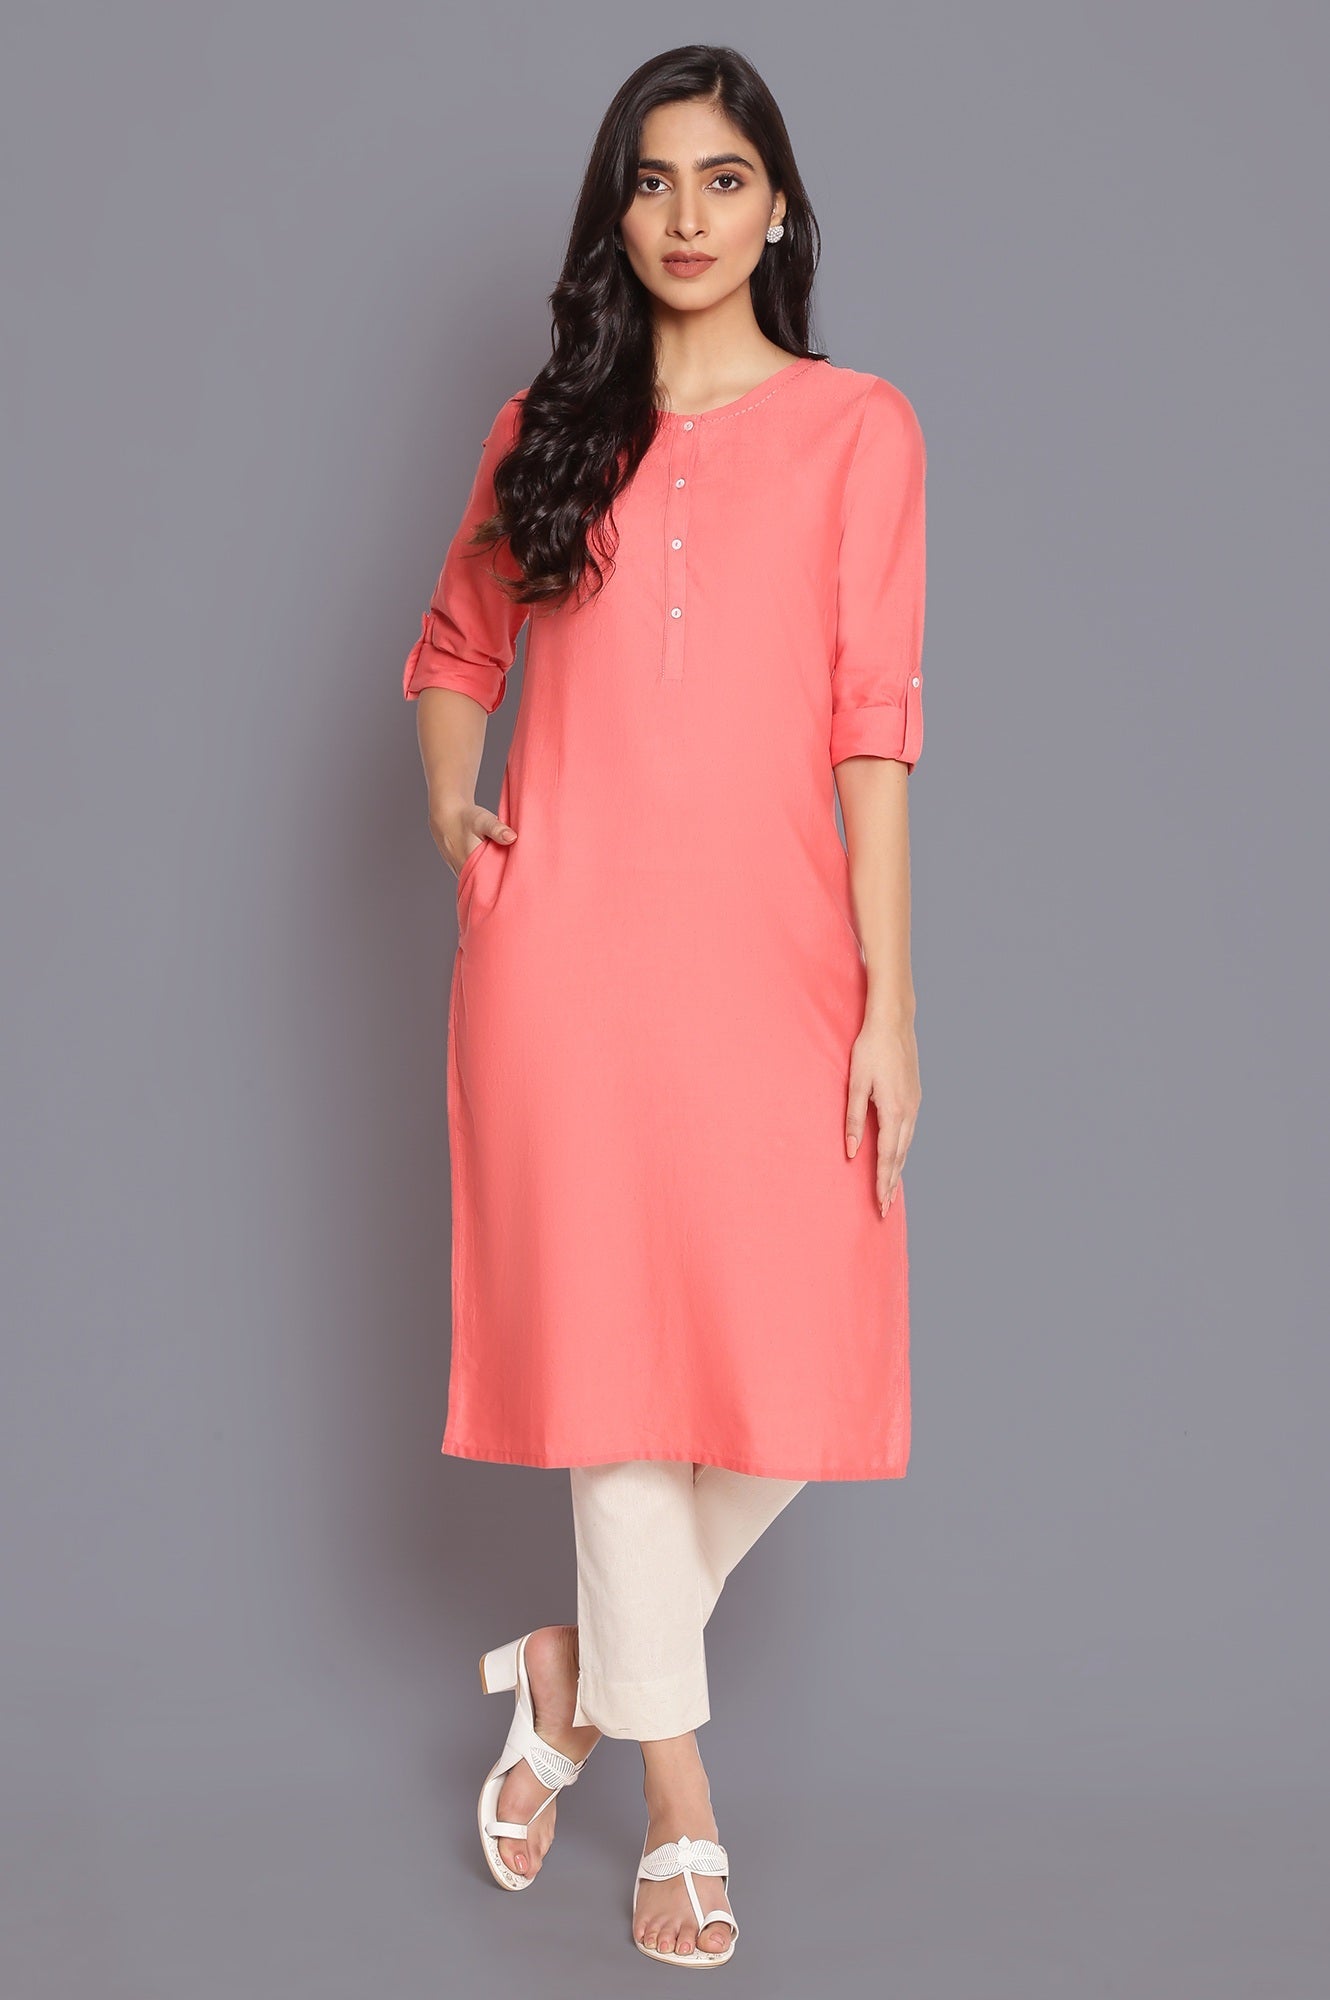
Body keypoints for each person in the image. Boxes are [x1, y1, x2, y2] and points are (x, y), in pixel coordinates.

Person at [402, 43, 926, 1968]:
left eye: (721, 179)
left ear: (777, 207)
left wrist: (887, 998)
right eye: (650, 181)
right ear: (614, 214)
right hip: (565, 962)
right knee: (619, 1382)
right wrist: (457, 814)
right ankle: (680, 1814)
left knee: (796, 1367)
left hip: (777, 960)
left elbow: (874, 726)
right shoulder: (549, 424)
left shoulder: (860, 430)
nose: (685, 216)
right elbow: (451, 646)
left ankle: (571, 1682)